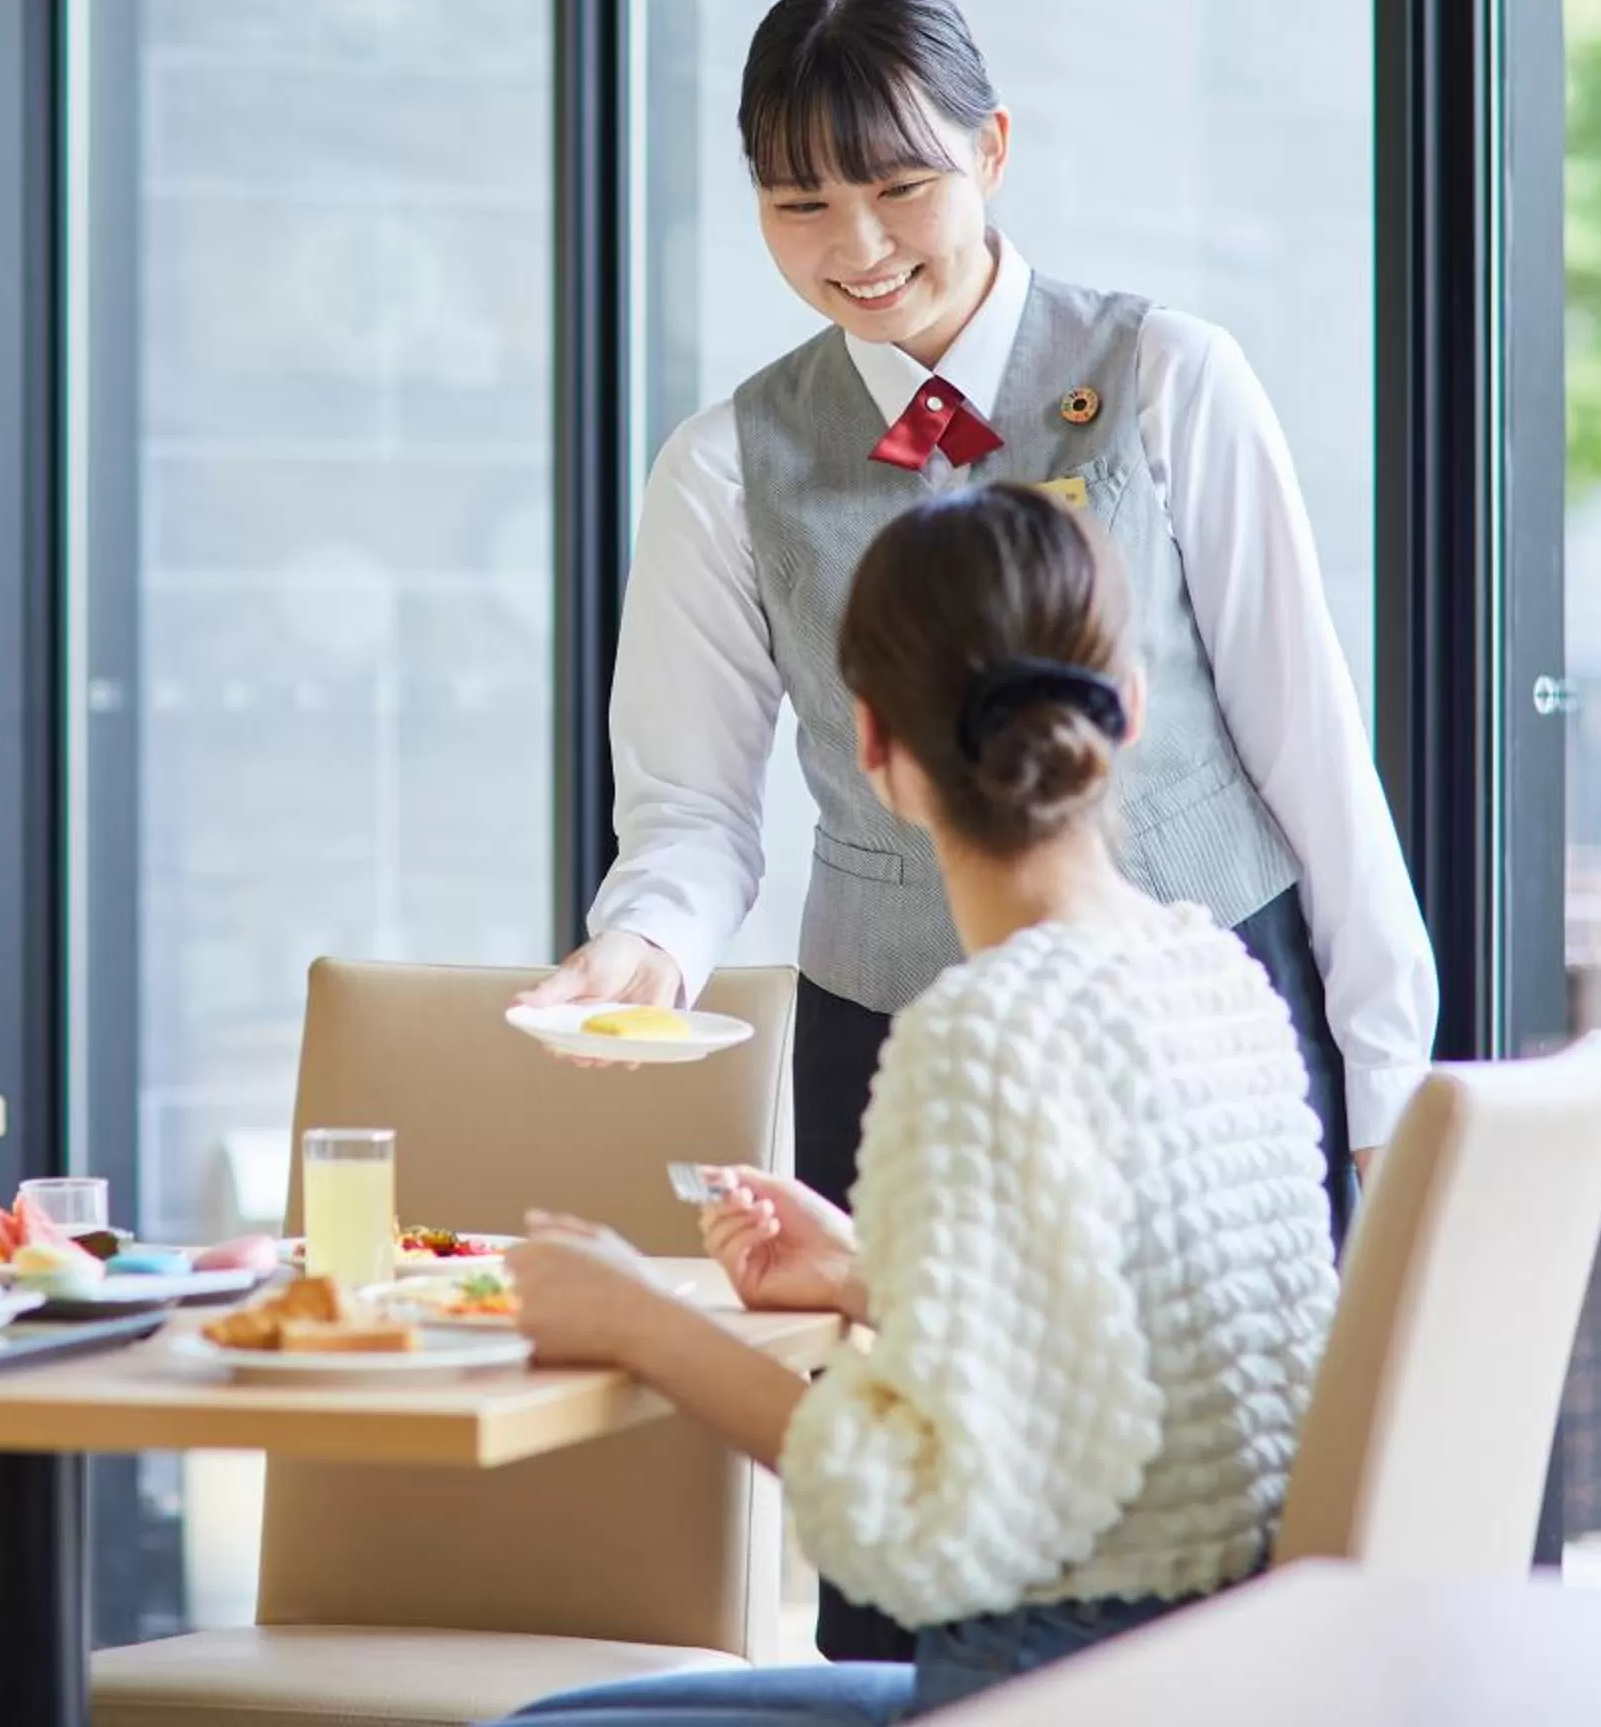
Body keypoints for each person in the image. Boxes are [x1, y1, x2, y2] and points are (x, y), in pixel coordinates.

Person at [514, 0, 1432, 1661]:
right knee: (921, 1570)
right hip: (901, 1031)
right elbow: (692, 810)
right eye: (800, 202)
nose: (856, 241)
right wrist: (639, 951)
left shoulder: (1169, 378)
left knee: (1166, 1503)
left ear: (994, 149)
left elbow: (1315, 756)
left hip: (1202, 998)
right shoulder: (727, 466)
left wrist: (1384, 1090)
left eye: (901, 184)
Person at [499, 485, 1341, 1724]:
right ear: (1133, 711)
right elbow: (1122, 1346)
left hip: (1045, 1679)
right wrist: (871, 1277)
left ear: (873, 747)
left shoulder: (980, 1033)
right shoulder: (1214, 978)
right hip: (1224, 1668)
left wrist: (643, 1323)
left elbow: (915, 1527)